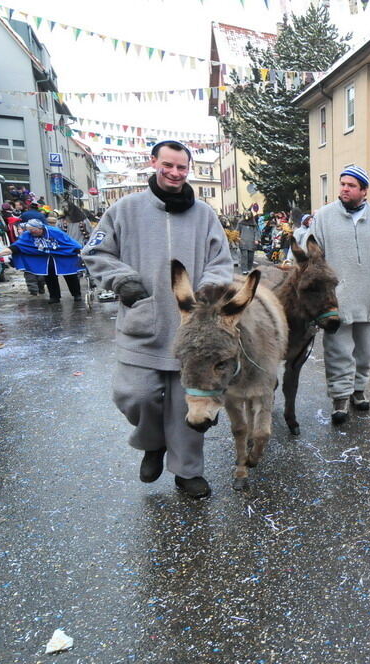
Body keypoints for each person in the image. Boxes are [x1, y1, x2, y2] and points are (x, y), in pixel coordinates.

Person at [81, 140, 232, 500]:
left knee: (188, 405)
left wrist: (207, 295)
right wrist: (122, 280)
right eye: (168, 165)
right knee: (136, 394)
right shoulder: (125, 210)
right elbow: (96, 252)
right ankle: (153, 443)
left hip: (193, 330)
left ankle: (188, 472)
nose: (175, 173)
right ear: (154, 162)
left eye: (182, 167)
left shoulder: (204, 215)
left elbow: (221, 262)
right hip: (143, 322)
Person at [308, 165, 370, 425]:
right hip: (336, 300)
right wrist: (320, 290)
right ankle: (340, 397)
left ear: (364, 190)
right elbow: (312, 256)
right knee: (338, 350)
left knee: (365, 351)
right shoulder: (325, 217)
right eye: (342, 184)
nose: (344, 189)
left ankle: (358, 390)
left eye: (351, 185)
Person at [0, 219, 84, 303]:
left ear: (41, 228)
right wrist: (1, 253)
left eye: (34, 231)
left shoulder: (55, 232)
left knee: (69, 274)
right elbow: (17, 246)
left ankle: (77, 294)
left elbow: (69, 242)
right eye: (30, 231)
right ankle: (54, 296)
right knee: (49, 275)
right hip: (44, 257)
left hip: (62, 255)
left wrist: (80, 250)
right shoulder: (28, 235)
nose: (32, 233)